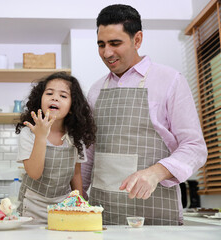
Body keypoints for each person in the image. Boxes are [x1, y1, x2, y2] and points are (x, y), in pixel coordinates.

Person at [81, 4, 207, 225]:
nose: (107, 53)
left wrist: (155, 172)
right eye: (101, 44)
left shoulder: (170, 80)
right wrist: (77, 196)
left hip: (155, 214)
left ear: (137, 39)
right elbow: (88, 154)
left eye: (115, 43)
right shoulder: (95, 90)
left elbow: (195, 147)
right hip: (102, 216)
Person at [15, 71, 96, 223]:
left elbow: (76, 173)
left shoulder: (75, 136)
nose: (55, 97)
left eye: (63, 96)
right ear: (40, 100)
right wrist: (40, 136)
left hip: (64, 206)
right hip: (32, 207)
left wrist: (80, 203)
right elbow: (34, 173)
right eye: (49, 93)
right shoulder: (29, 133)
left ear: (72, 107)